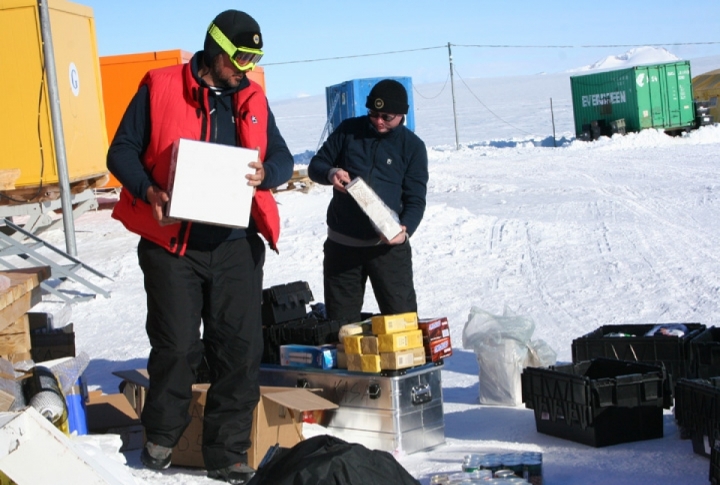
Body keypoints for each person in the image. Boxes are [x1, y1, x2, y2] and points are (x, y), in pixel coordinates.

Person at [106, 10, 293, 485]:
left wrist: (264, 175)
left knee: (240, 349)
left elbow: (283, 158)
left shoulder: (252, 96)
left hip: (234, 244)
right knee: (177, 346)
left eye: (254, 59)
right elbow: (121, 151)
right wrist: (149, 191)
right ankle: (162, 438)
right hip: (173, 244)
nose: (245, 68)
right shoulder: (160, 86)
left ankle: (226, 452)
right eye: (239, 57)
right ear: (214, 49)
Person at [308, 79, 428, 324]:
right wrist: (331, 173)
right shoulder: (347, 131)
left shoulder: (413, 147)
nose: (379, 121)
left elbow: (415, 200)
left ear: (402, 114)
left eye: (386, 116)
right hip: (343, 248)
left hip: (388, 250)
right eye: (373, 113)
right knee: (342, 330)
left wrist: (404, 231)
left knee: (401, 325)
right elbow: (316, 166)